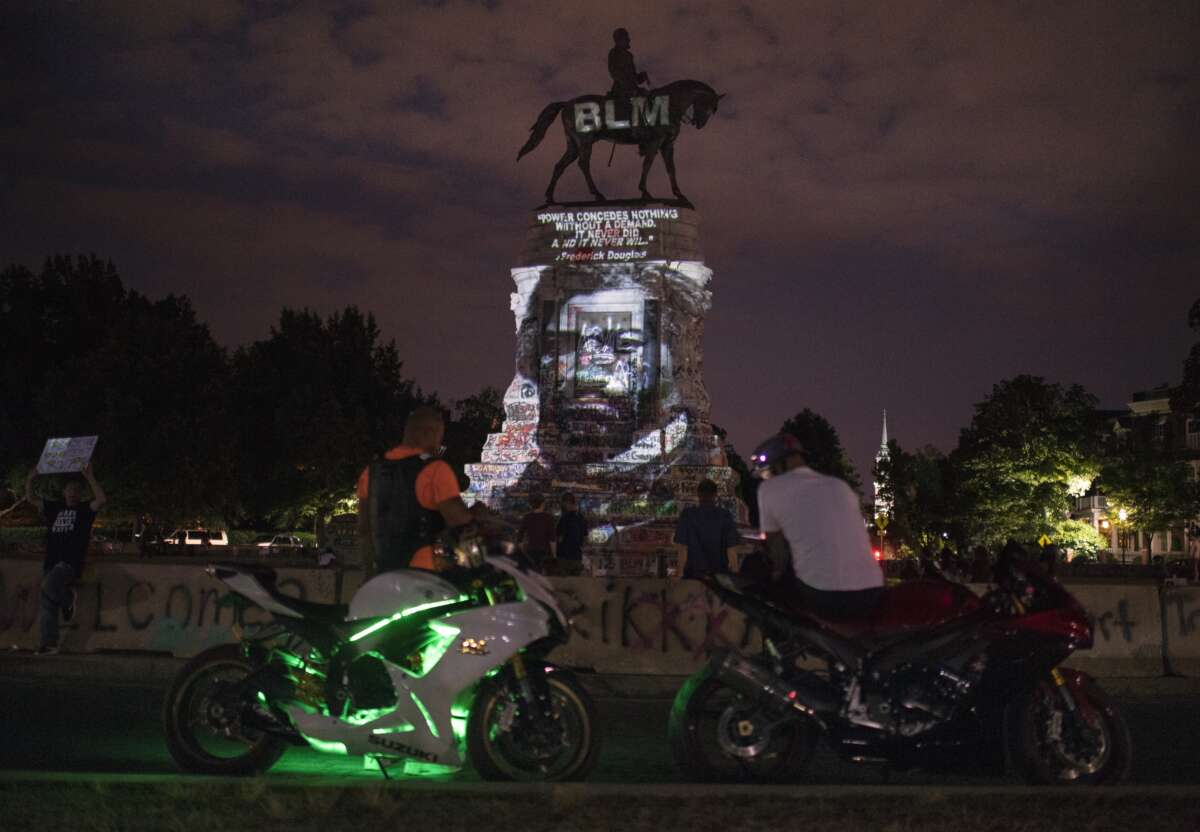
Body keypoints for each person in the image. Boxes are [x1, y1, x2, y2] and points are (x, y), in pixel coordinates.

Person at [752, 433, 883, 619]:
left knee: (770, 598)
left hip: (826, 595)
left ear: (781, 464)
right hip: (872, 590)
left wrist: (776, 572)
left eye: (768, 472)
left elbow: (777, 549)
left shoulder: (769, 489)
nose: (768, 478)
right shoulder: (839, 486)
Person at [356, 406, 472, 575]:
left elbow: (363, 530)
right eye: (439, 436)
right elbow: (460, 522)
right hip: (424, 576)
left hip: (384, 575)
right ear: (429, 433)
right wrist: (478, 514)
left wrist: (369, 573)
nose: (439, 444)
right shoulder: (436, 469)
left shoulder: (371, 472)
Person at [25, 462, 107, 655]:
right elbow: (31, 498)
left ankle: (68, 599)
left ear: (79, 494)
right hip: (51, 561)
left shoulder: (85, 510)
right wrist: (30, 479)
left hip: (70, 562)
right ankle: (49, 644)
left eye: (76, 490)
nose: (72, 492)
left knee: (47, 586)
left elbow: (101, 499)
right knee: (46, 601)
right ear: (63, 492)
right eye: (69, 489)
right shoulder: (54, 508)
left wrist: (90, 477)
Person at [673, 479, 739, 579]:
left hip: (693, 574)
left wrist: (679, 573)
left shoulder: (688, 515)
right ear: (715, 495)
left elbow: (683, 548)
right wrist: (735, 572)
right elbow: (731, 548)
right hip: (719, 575)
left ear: (698, 494)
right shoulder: (724, 515)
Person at [608, 27, 649, 100]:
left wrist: (641, 77)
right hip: (621, 93)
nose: (629, 40)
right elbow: (616, 74)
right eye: (626, 38)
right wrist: (632, 89)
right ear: (619, 40)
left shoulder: (629, 55)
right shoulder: (614, 53)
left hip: (631, 91)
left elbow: (632, 77)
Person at [552, 493, 588, 576]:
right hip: (577, 556)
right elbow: (585, 538)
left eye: (562, 503)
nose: (561, 505)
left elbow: (560, 538)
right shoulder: (582, 518)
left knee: (563, 585)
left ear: (566, 503)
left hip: (564, 557)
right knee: (575, 585)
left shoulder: (564, 518)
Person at [518, 493, 556, 570]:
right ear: (542, 504)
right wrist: (554, 555)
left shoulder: (527, 517)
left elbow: (520, 538)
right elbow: (552, 539)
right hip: (544, 552)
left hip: (530, 550)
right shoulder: (548, 518)